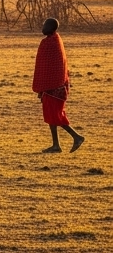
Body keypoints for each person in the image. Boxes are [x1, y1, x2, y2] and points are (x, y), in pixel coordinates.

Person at [33, 17, 85, 153]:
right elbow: (44, 67)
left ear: (51, 28)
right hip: (53, 87)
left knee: (56, 115)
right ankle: (56, 145)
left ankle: (77, 137)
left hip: (55, 87)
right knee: (52, 115)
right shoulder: (54, 40)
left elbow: (53, 67)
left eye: (45, 25)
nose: (43, 27)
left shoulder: (51, 43)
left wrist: (44, 86)